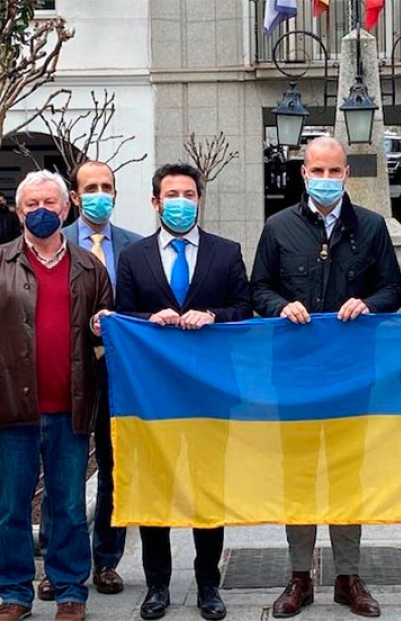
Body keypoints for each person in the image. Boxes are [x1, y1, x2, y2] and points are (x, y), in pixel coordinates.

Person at [251, 136, 401, 619]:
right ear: (303, 173)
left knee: (345, 474)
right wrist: (280, 305)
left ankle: (348, 575)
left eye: (335, 171)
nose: (327, 179)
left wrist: (370, 303)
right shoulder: (277, 228)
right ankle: (299, 576)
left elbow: (392, 288)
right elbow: (259, 288)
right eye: (318, 170)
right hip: (293, 375)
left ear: (346, 175)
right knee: (297, 474)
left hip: (351, 377)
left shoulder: (372, 227)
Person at [0, 170, 113, 621]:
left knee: (67, 505)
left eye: (50, 203)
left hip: (70, 408)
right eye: (32, 205)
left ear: (67, 207)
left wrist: (101, 326)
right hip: (11, 410)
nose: (42, 212)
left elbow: (105, 336)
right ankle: (14, 593)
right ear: (18, 208)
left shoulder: (90, 266)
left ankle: (70, 590)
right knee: (11, 506)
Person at [105, 162, 251, 621]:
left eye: (189, 194)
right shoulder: (134, 258)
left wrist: (213, 315)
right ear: (155, 202)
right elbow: (125, 318)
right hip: (155, 397)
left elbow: (244, 310)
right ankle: (157, 585)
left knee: (208, 489)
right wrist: (152, 322)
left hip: (211, 397)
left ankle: (209, 583)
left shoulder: (226, 252)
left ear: (199, 199)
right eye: (172, 195)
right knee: (157, 489)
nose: (181, 202)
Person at [37, 160, 142, 602]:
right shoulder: (52, 246)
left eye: (108, 187)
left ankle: (106, 561)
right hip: (69, 374)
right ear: (75, 198)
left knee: (114, 470)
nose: (100, 194)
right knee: (63, 471)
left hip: (119, 374)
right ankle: (57, 564)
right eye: (91, 188)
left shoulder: (135, 249)